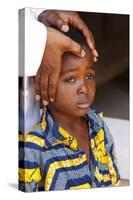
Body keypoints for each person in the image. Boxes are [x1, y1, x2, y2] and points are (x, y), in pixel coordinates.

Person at [19, 26, 120, 192]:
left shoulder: (98, 126)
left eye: (89, 76)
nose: (84, 88)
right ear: (41, 85)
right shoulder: (33, 146)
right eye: (70, 79)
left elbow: (114, 184)